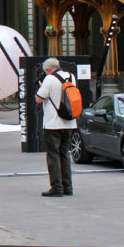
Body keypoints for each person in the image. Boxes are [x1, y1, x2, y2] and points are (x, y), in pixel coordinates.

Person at [34, 57, 77, 197]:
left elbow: (39, 98)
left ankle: (56, 188)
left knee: (53, 155)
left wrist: (40, 84)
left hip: (53, 123)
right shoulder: (71, 76)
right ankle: (68, 187)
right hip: (69, 122)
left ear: (48, 70)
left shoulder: (50, 79)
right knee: (64, 154)